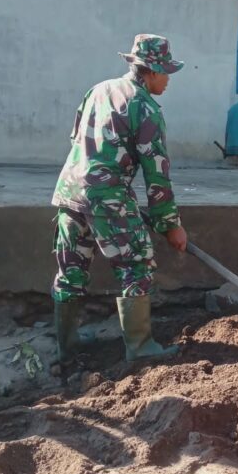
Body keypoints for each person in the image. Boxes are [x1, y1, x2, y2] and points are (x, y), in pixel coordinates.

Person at [52, 34, 189, 364]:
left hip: (70, 191)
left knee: (71, 270)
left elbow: (76, 138)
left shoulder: (98, 90)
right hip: (107, 197)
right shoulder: (146, 108)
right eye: (166, 72)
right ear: (151, 71)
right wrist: (170, 225)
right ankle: (141, 349)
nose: (169, 80)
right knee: (137, 265)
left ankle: (67, 346)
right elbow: (157, 175)